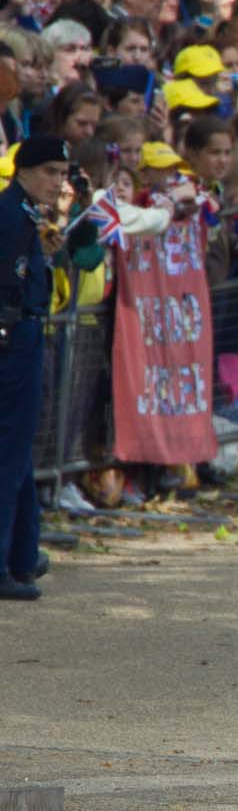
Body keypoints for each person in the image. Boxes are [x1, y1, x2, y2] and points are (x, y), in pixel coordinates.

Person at [0, 135, 64, 601]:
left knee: (19, 453)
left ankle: (22, 554)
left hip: (26, 332)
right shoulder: (10, 215)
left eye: (62, 174)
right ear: (24, 170)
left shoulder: (27, 214)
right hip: (13, 338)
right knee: (9, 453)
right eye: (49, 172)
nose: (57, 182)